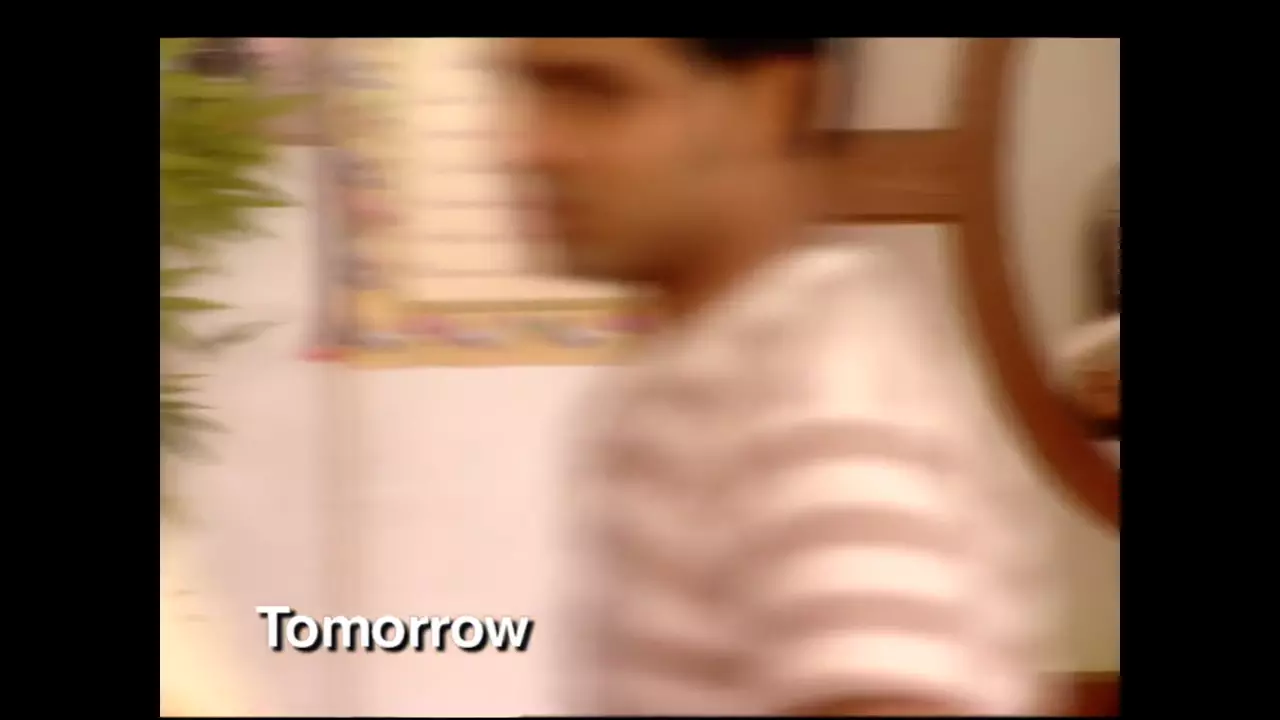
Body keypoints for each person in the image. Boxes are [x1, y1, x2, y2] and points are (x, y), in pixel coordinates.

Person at [502, 38, 1060, 716]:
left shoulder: (826, 402)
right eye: (528, 89)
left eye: (595, 93)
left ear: (776, 104)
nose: (529, 147)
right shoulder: (704, 375)